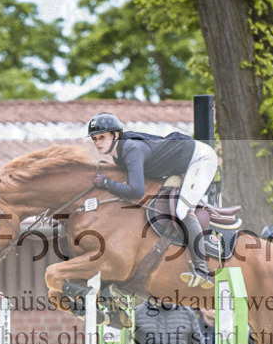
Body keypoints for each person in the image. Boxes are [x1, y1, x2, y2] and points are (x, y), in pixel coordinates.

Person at [87, 112, 219, 289]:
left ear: (116, 135)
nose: (97, 143)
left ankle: (203, 270)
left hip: (200, 159)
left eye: (102, 137)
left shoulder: (130, 148)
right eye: (94, 139)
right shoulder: (118, 153)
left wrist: (107, 183)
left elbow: (136, 191)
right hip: (181, 162)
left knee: (182, 210)